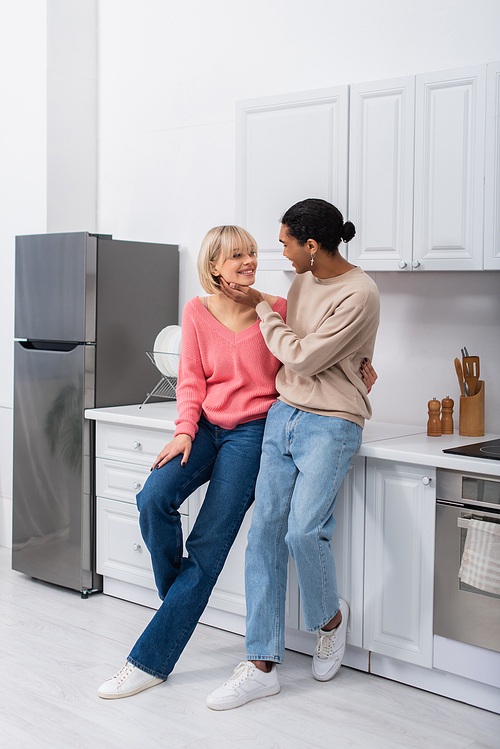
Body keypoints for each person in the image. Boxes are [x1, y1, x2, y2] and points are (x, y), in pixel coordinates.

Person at [97, 225, 287, 699]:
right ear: (214, 265)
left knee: (206, 545)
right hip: (203, 427)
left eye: (252, 253)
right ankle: (179, 602)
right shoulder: (197, 311)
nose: (249, 261)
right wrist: (184, 431)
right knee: (153, 497)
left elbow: (300, 368)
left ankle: (148, 662)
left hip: (252, 434)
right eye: (237, 255)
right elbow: (190, 382)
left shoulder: (276, 310)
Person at [206, 198, 380, 711]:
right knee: (263, 534)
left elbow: (302, 353)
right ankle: (261, 665)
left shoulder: (361, 292)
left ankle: (330, 619)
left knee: (303, 530)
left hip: (332, 423)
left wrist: (260, 304)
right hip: (285, 413)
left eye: (284, 242)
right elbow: (303, 347)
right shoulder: (305, 279)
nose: (278, 251)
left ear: (311, 244)